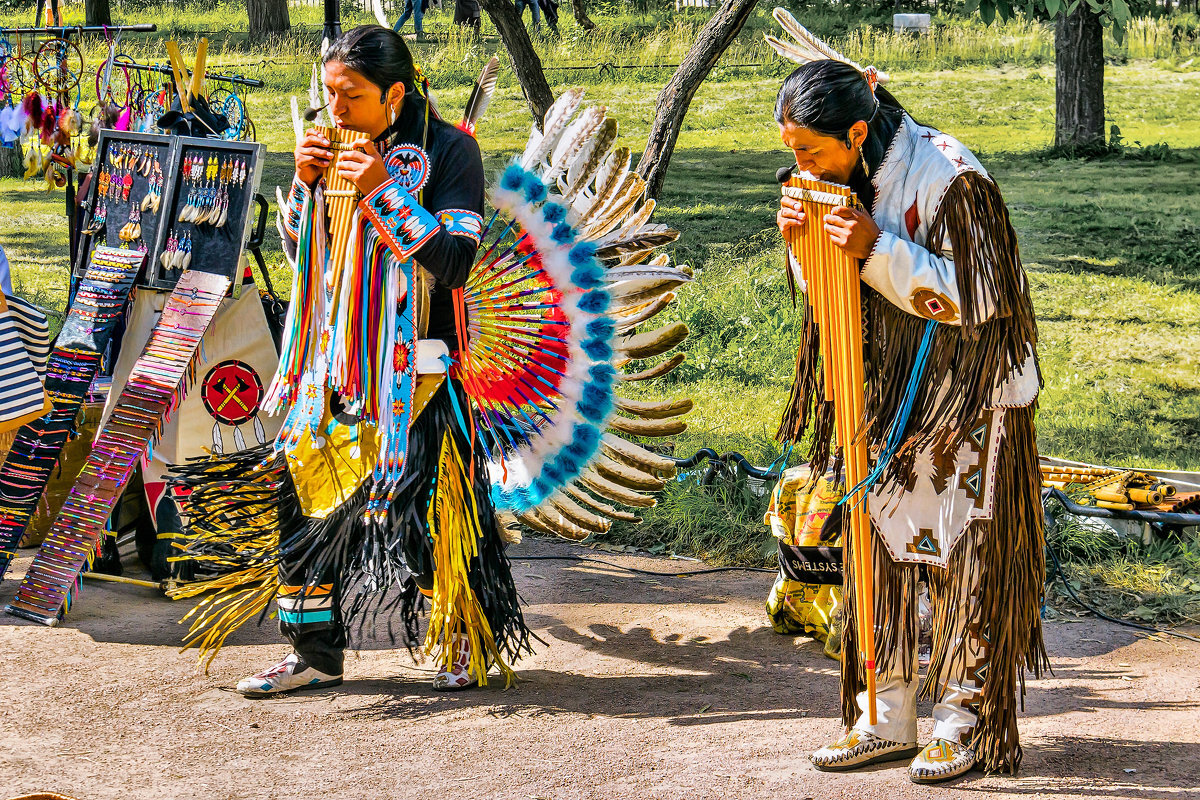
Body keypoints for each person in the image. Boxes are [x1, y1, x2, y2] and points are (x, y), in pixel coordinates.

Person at [178, 25, 531, 696]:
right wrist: (305, 188)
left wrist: (383, 191)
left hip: (416, 373)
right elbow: (304, 258)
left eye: (352, 96)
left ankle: (462, 637)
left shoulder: (450, 150)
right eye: (330, 93)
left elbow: (456, 263)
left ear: (394, 94)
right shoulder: (331, 143)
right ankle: (312, 653)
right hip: (330, 365)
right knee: (303, 504)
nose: (335, 110)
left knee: (421, 513)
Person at [773, 58, 1046, 784]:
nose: (799, 166)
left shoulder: (951, 179)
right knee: (879, 552)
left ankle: (965, 720)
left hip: (971, 398)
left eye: (809, 152)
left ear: (857, 134)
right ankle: (884, 714)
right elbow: (832, 292)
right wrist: (804, 247)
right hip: (886, 396)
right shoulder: (832, 177)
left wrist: (876, 248)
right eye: (792, 151)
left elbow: (984, 297)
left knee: (965, 554)